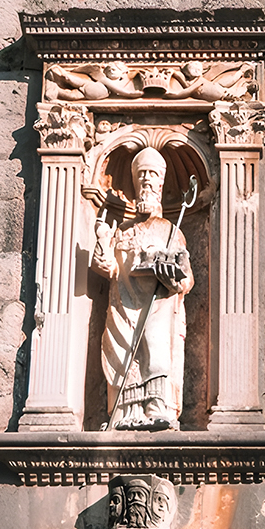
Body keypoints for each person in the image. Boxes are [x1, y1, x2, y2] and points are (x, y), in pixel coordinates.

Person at [91, 148, 193, 429]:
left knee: (156, 353)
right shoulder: (121, 230)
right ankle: (126, 415)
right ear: (135, 184)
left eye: (152, 175)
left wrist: (170, 275)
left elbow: (186, 280)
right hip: (123, 305)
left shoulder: (171, 230)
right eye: (142, 175)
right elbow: (108, 266)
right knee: (124, 355)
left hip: (158, 307)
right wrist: (102, 245)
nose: (146, 181)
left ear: (161, 184)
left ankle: (158, 410)